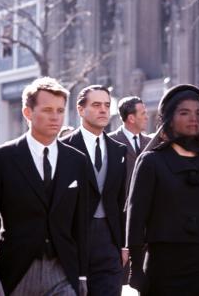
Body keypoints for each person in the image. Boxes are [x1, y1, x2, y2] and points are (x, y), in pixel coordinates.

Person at [0, 77, 89, 296]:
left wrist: (82, 274)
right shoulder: (1, 158)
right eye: (47, 110)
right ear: (28, 113)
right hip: (16, 271)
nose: (55, 117)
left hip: (62, 271)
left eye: (60, 110)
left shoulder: (77, 161)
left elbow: (80, 223)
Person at [126, 84, 199, 296]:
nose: (194, 118)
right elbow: (136, 219)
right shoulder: (151, 161)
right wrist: (135, 270)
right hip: (163, 268)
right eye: (184, 112)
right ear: (169, 118)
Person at [62, 85, 127, 296]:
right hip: (73, 240)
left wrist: (123, 244)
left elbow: (121, 200)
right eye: (96, 105)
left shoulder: (119, 150)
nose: (103, 110)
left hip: (109, 242)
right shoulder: (63, 148)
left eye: (107, 105)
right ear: (80, 110)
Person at [109, 96, 151, 194]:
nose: (147, 117)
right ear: (131, 118)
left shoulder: (151, 142)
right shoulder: (109, 142)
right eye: (143, 113)